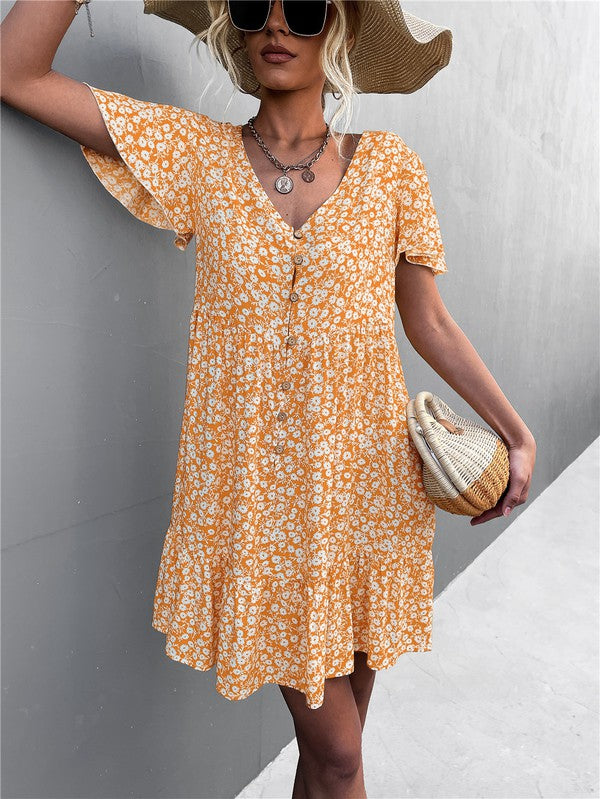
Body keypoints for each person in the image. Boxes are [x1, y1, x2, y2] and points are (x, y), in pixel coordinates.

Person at [1, 1, 537, 796]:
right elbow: (17, 74)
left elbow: (429, 322)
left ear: (341, 31)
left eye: (306, 11)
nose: (277, 28)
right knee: (343, 755)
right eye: (255, 8)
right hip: (261, 509)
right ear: (238, 31)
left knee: (328, 755)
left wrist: (515, 432)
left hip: (367, 495)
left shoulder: (390, 167)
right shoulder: (198, 156)